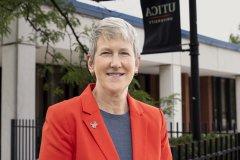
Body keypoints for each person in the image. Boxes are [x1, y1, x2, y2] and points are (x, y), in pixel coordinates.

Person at [39, 17, 172, 160]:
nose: (115, 63)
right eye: (106, 53)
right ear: (90, 62)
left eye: (124, 53)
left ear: (137, 64)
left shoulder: (155, 119)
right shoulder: (62, 117)